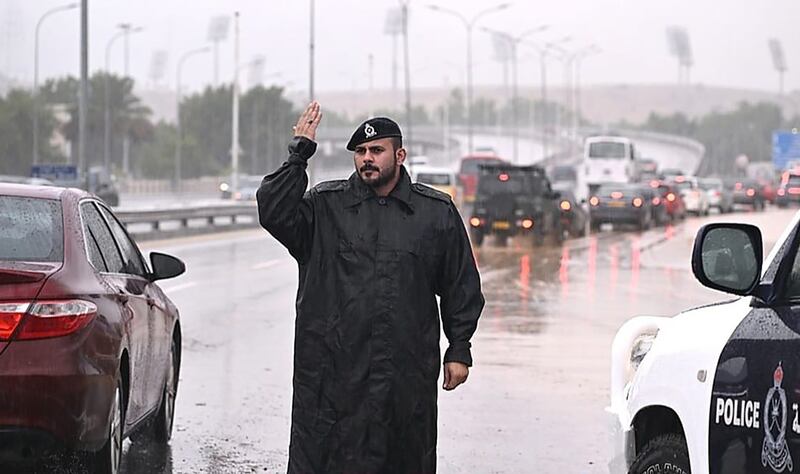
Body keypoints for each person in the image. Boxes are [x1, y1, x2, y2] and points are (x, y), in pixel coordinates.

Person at [256, 101, 484, 474]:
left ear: (400, 154)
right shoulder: (324, 208)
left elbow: (461, 284)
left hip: (404, 376)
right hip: (331, 378)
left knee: (404, 460)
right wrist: (299, 152)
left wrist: (459, 348)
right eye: (360, 152)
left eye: (376, 150)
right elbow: (273, 211)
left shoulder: (434, 212)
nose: (367, 159)